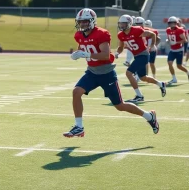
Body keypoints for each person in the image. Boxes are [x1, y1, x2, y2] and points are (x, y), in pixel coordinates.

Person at [63, 8, 159, 138]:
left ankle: (149, 116)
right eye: (80, 22)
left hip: (106, 73)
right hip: (91, 72)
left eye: (85, 21)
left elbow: (105, 55)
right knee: (76, 92)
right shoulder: (79, 35)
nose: (82, 24)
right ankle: (79, 127)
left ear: (92, 21)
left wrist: (85, 54)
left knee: (120, 105)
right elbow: (83, 46)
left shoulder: (101, 34)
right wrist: (77, 53)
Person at [115, 15, 166, 103]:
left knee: (128, 73)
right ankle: (161, 84)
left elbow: (152, 34)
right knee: (143, 78)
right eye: (120, 23)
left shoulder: (136, 30)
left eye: (124, 23)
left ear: (129, 23)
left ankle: (139, 96)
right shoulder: (121, 35)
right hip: (137, 56)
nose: (122, 25)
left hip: (143, 54)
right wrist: (117, 52)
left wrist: (153, 45)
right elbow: (120, 47)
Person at [166, 16, 189, 84]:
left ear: (175, 23)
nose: (171, 24)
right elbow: (169, 38)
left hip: (179, 49)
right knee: (169, 63)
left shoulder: (180, 30)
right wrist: (168, 40)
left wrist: (176, 42)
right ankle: (174, 78)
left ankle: (187, 72)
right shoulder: (168, 30)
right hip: (172, 50)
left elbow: (185, 40)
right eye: (170, 23)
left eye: (172, 22)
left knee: (179, 66)